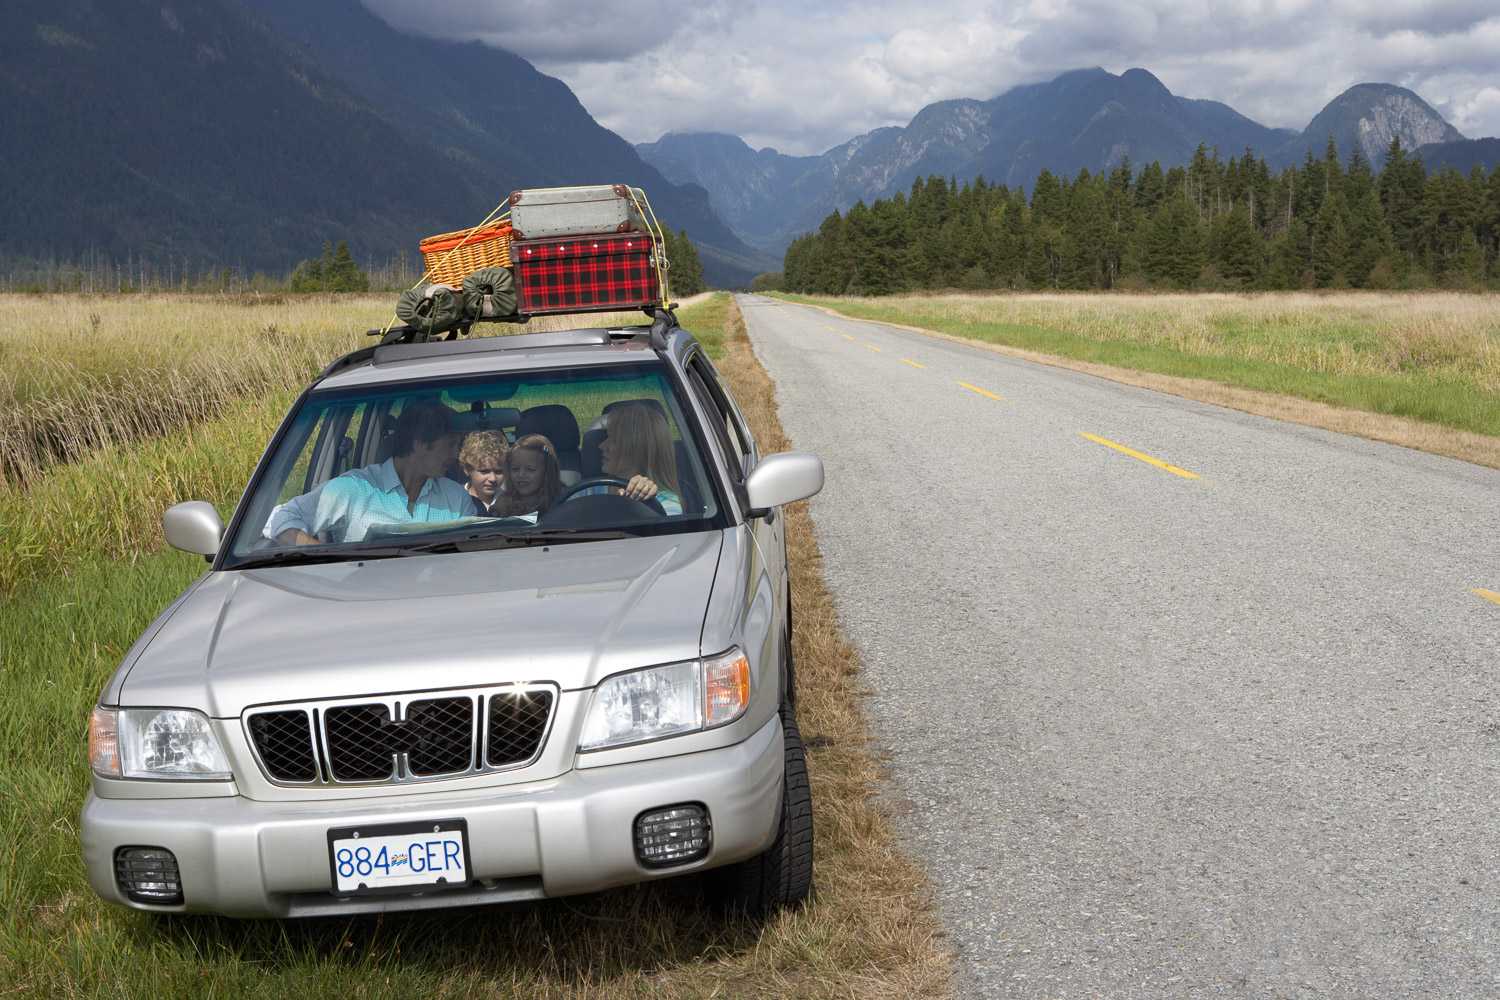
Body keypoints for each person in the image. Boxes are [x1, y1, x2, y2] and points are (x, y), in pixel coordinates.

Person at [264, 399, 477, 545]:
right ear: (420, 444)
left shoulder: (457, 499)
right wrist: (323, 561)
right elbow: (282, 518)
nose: (456, 454)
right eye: (450, 445)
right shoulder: (354, 489)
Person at [595, 401, 682, 515]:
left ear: (637, 447)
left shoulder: (666, 503)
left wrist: (640, 506)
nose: (601, 446)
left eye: (614, 440)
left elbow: (672, 530)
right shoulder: (590, 490)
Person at [488, 433, 563, 519]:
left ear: (547, 471)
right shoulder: (503, 503)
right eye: (515, 469)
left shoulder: (562, 501)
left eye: (530, 469)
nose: (521, 475)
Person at [459, 430, 508, 514]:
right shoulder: (455, 500)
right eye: (484, 471)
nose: (493, 478)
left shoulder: (512, 503)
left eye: (499, 472)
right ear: (467, 469)